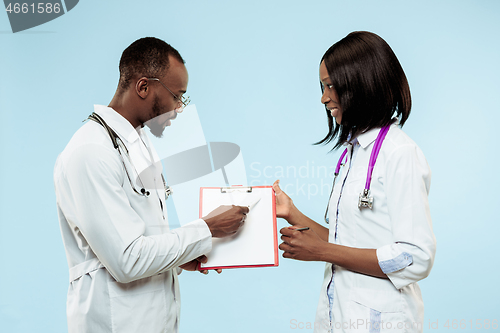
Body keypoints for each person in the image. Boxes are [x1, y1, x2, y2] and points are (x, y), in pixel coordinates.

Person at [54, 37, 249, 333]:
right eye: (176, 95)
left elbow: (140, 237)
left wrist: (182, 256)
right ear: (143, 87)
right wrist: (207, 229)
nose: (180, 107)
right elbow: (127, 260)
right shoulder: (91, 152)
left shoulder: (138, 143)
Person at [274, 31, 436, 333]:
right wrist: (291, 212)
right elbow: (347, 241)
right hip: (340, 316)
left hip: (383, 321)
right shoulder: (354, 155)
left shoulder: (400, 154)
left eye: (330, 86)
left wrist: (320, 252)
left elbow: (415, 257)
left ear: (362, 82)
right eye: (322, 87)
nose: (323, 98)